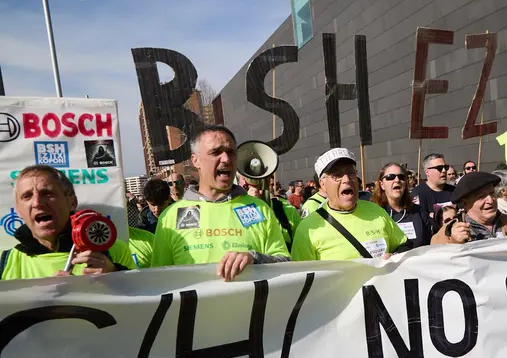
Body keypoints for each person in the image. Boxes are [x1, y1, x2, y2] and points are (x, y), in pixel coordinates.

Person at [151, 125, 290, 281]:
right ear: (196, 160)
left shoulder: (259, 209)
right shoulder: (170, 217)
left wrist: (255, 258)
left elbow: (285, 262)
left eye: (231, 152)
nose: (226, 159)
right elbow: (159, 279)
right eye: (215, 152)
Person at [1, 165, 134, 280]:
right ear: (18, 210)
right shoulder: (5, 263)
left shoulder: (113, 250)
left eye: (47, 193)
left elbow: (139, 303)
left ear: (72, 202)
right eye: (27, 196)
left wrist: (116, 276)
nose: (37, 203)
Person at [291, 148, 409, 260]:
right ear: (323, 184)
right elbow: (301, 276)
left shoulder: (377, 211)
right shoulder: (307, 229)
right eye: (337, 175)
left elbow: (405, 245)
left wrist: (394, 256)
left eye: (351, 173)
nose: (346, 179)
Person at [431, 172, 507, 244]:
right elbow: (433, 253)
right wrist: (453, 241)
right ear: (465, 203)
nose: (490, 200)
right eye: (481, 196)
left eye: (492, 193)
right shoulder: (452, 228)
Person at [372, 163, 433, 249]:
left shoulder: (418, 211)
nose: (397, 180)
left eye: (401, 177)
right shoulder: (375, 215)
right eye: (390, 177)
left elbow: (430, 242)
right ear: (382, 184)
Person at [411, 153, 455, 225]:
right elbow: (423, 223)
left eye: (445, 167)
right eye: (439, 168)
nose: (444, 171)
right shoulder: (418, 194)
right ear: (427, 172)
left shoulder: (454, 190)